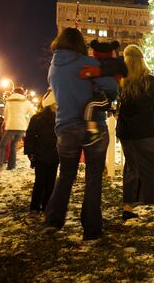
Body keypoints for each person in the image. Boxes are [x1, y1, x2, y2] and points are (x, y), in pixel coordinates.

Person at [42, 27, 118, 241]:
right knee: (93, 178)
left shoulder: (53, 68)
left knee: (66, 176)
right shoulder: (87, 63)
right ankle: (91, 228)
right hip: (93, 126)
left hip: (65, 128)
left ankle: (52, 221)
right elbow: (112, 87)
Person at [116, 45, 154, 220]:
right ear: (142, 59)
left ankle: (128, 207)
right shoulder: (148, 79)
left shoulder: (122, 80)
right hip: (147, 130)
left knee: (132, 168)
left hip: (127, 132)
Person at [24, 91, 59, 216]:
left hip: (54, 155)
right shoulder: (37, 118)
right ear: (50, 104)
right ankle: (35, 207)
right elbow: (30, 136)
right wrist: (30, 152)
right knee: (40, 181)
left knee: (50, 183)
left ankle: (46, 207)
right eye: (56, 103)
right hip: (41, 155)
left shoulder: (60, 118)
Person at [0, 87, 35, 170]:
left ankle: (0, 164)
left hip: (11, 126)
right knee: (14, 145)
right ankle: (11, 166)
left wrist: (7, 121)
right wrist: (27, 121)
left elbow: (6, 114)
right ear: (22, 93)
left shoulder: (9, 100)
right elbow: (33, 114)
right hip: (22, 127)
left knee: (2, 145)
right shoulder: (26, 101)